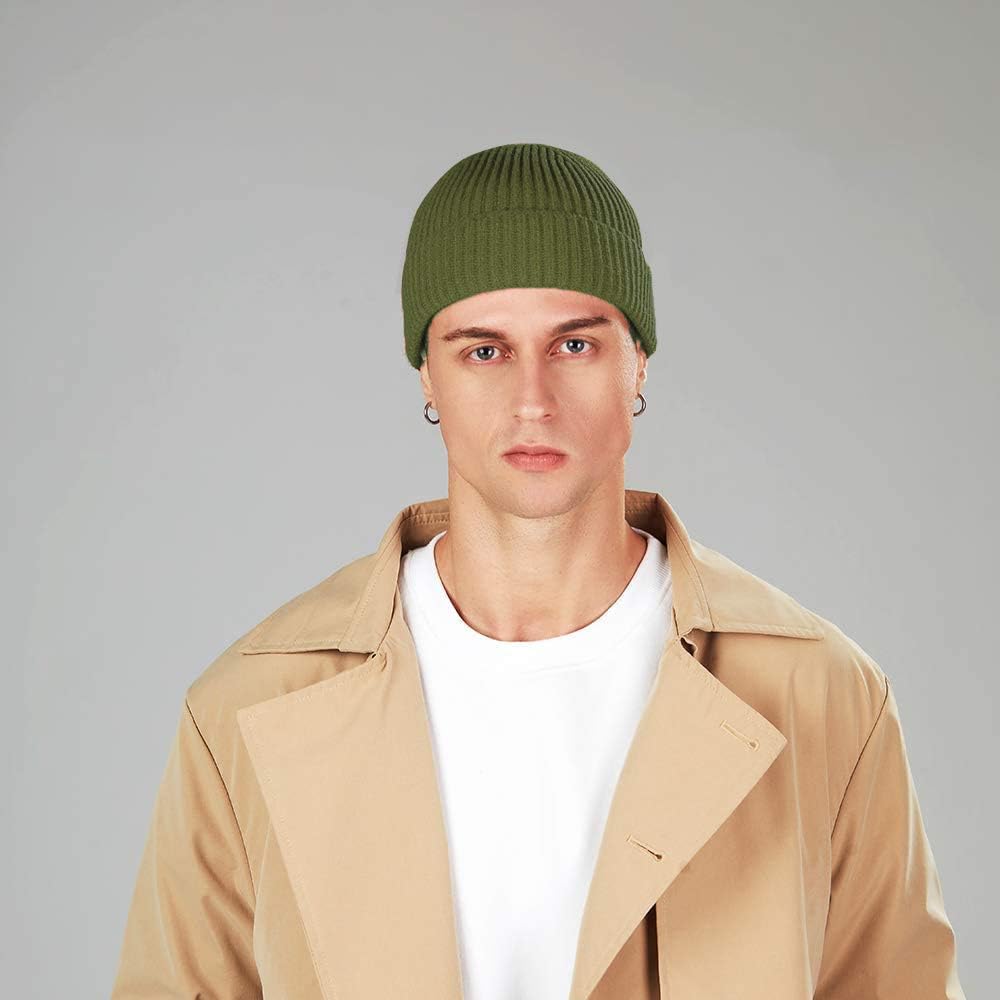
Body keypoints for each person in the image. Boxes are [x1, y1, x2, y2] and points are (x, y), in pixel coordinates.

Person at [111, 143, 966, 999]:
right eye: (483, 352)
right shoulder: (248, 708)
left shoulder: (822, 693)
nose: (532, 400)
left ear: (638, 362)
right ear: (428, 376)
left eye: (575, 344)